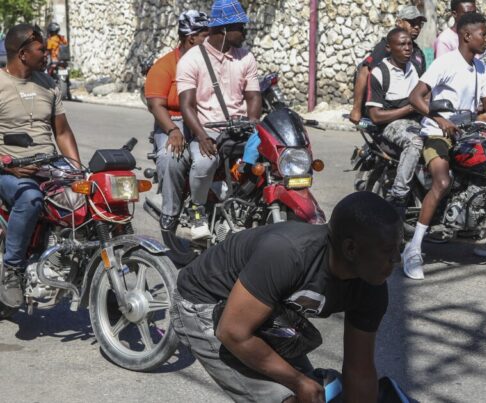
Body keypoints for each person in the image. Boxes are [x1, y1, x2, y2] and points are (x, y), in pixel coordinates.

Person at [170, 191, 402, 402]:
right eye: (387, 251)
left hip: (263, 311)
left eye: (398, 248)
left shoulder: (372, 285)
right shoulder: (288, 254)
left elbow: (359, 370)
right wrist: (297, 381)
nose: (397, 259)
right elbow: (232, 332)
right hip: (203, 301)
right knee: (289, 397)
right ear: (351, 249)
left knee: (312, 395)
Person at [404, 12, 486, 280]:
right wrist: (439, 119)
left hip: (468, 133)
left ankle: (484, 237)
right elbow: (415, 96)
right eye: (483, 34)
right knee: (442, 183)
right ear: (467, 36)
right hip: (437, 134)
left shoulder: (480, 67)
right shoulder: (446, 63)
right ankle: (414, 247)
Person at [0, 24, 81, 308]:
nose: (47, 54)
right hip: (7, 170)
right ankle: (12, 268)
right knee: (30, 198)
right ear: (23, 54)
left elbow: (62, 132)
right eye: (41, 50)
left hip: (48, 164)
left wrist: (77, 170)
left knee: (90, 196)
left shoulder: (49, 84)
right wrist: (8, 167)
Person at [176, 0, 261, 240]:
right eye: (240, 27)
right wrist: (202, 137)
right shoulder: (191, 60)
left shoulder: (245, 57)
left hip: (240, 128)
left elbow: (254, 96)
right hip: (207, 129)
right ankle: (196, 210)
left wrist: (253, 124)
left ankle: (250, 208)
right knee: (205, 162)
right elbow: (187, 105)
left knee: (272, 159)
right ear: (223, 29)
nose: (244, 33)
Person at [145, 10, 209, 233]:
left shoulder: (209, 62)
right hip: (174, 121)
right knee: (171, 155)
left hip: (204, 120)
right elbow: (155, 105)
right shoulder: (164, 66)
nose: (209, 40)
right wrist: (172, 130)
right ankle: (170, 211)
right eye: (205, 35)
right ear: (191, 37)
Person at [366, 28, 423, 210]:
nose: (408, 48)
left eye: (409, 44)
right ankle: (398, 194)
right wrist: (409, 108)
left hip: (415, 122)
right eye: (402, 44)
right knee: (414, 143)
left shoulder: (413, 68)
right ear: (389, 48)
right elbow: (375, 116)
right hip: (390, 126)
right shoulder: (380, 73)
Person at [349, 5, 427, 124]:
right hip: (388, 110)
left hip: (412, 110)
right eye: (412, 23)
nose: (416, 27)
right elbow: (364, 71)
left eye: (419, 24)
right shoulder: (386, 47)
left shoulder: (417, 52)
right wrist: (356, 110)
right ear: (399, 22)